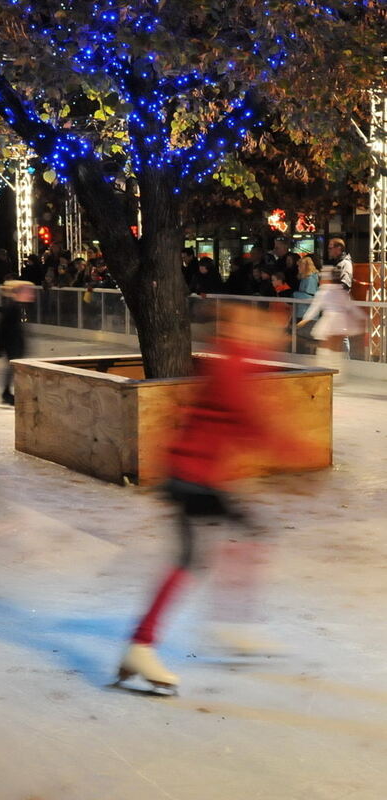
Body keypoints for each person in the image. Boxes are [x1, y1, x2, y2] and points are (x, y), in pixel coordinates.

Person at [116, 303, 316, 692]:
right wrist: (301, 453)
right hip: (190, 477)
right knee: (190, 561)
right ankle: (142, 644)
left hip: (202, 476)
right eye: (259, 328)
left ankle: (230, 626)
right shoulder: (232, 367)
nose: (272, 335)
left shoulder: (241, 362)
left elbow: (245, 426)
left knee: (251, 533)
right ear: (241, 332)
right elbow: (254, 425)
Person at [297, 265, 365, 382]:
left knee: (325, 348)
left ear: (326, 278)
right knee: (336, 349)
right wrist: (362, 317)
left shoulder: (324, 292)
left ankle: (324, 374)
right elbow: (351, 307)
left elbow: (315, 307)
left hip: (330, 321)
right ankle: (338, 376)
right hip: (341, 321)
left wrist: (305, 319)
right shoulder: (342, 291)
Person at [0, 280, 36, 405]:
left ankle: (7, 393)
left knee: (13, 368)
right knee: (14, 368)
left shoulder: (17, 307)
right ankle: (6, 393)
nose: (32, 295)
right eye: (28, 291)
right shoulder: (12, 307)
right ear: (19, 293)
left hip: (14, 343)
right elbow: (1, 327)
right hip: (12, 344)